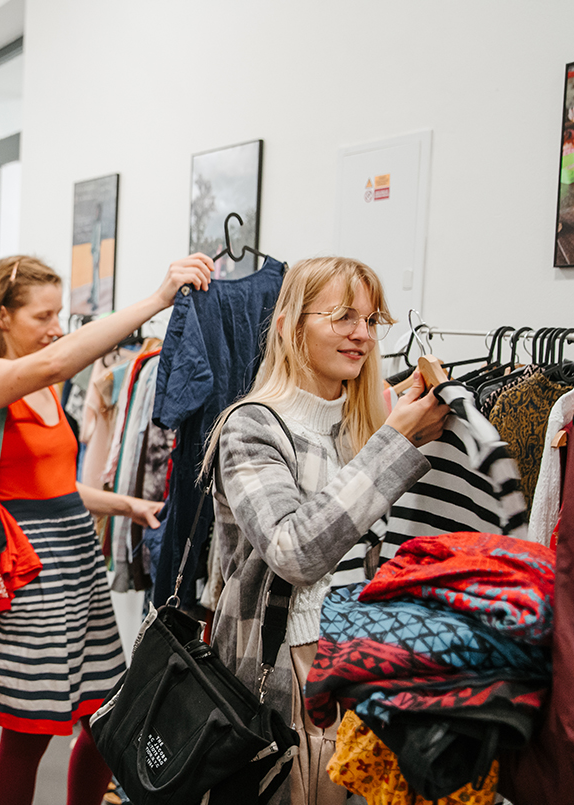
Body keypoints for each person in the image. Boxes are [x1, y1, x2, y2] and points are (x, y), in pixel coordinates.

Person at [0, 252, 214, 805]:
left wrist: (126, 505)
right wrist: (156, 298)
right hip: (24, 572)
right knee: (27, 731)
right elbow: (56, 365)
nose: (54, 330)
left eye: (60, 317)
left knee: (105, 716)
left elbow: (52, 486)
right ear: (2, 317)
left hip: (77, 561)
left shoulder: (46, 387)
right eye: (41, 317)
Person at [202, 256, 449, 805]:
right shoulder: (252, 427)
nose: (361, 334)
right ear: (292, 324)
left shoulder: (361, 424)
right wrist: (395, 445)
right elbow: (295, 551)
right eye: (342, 316)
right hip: (283, 665)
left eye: (370, 319)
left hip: (351, 659)